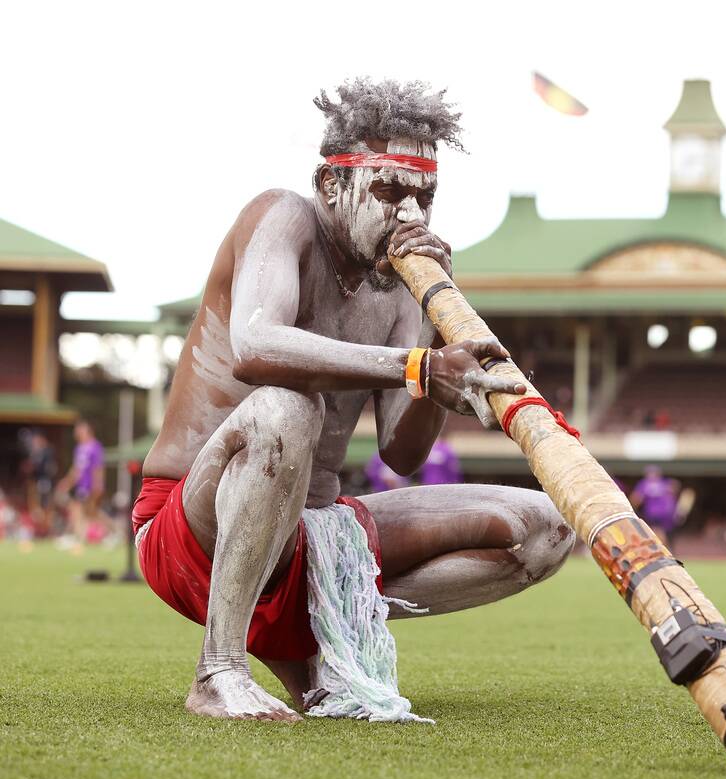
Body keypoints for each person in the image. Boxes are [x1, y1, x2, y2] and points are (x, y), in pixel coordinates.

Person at [131, 79, 575, 722]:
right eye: (389, 190)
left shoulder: (397, 287)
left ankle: (322, 632)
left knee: (546, 529)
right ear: (332, 186)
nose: (409, 214)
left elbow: (401, 453)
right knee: (288, 409)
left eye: (424, 196)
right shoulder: (283, 216)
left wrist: (431, 323)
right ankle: (218, 669)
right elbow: (256, 346)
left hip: (315, 532)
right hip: (191, 526)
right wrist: (416, 366)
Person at [55, 420, 105, 543]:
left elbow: (98, 468)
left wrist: (98, 484)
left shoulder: (95, 447)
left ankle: (84, 536)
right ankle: (81, 536)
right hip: (81, 485)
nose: (76, 433)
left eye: (79, 430)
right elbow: (76, 469)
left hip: (90, 484)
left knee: (87, 511)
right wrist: (67, 482)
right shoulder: (79, 448)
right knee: (80, 510)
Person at [629, 466, 679, 545]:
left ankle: (662, 550)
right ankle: (664, 549)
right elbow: (675, 487)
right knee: (660, 532)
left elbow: (636, 498)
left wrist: (631, 508)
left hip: (653, 513)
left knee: (655, 532)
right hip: (666, 513)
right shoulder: (664, 483)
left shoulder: (644, 483)